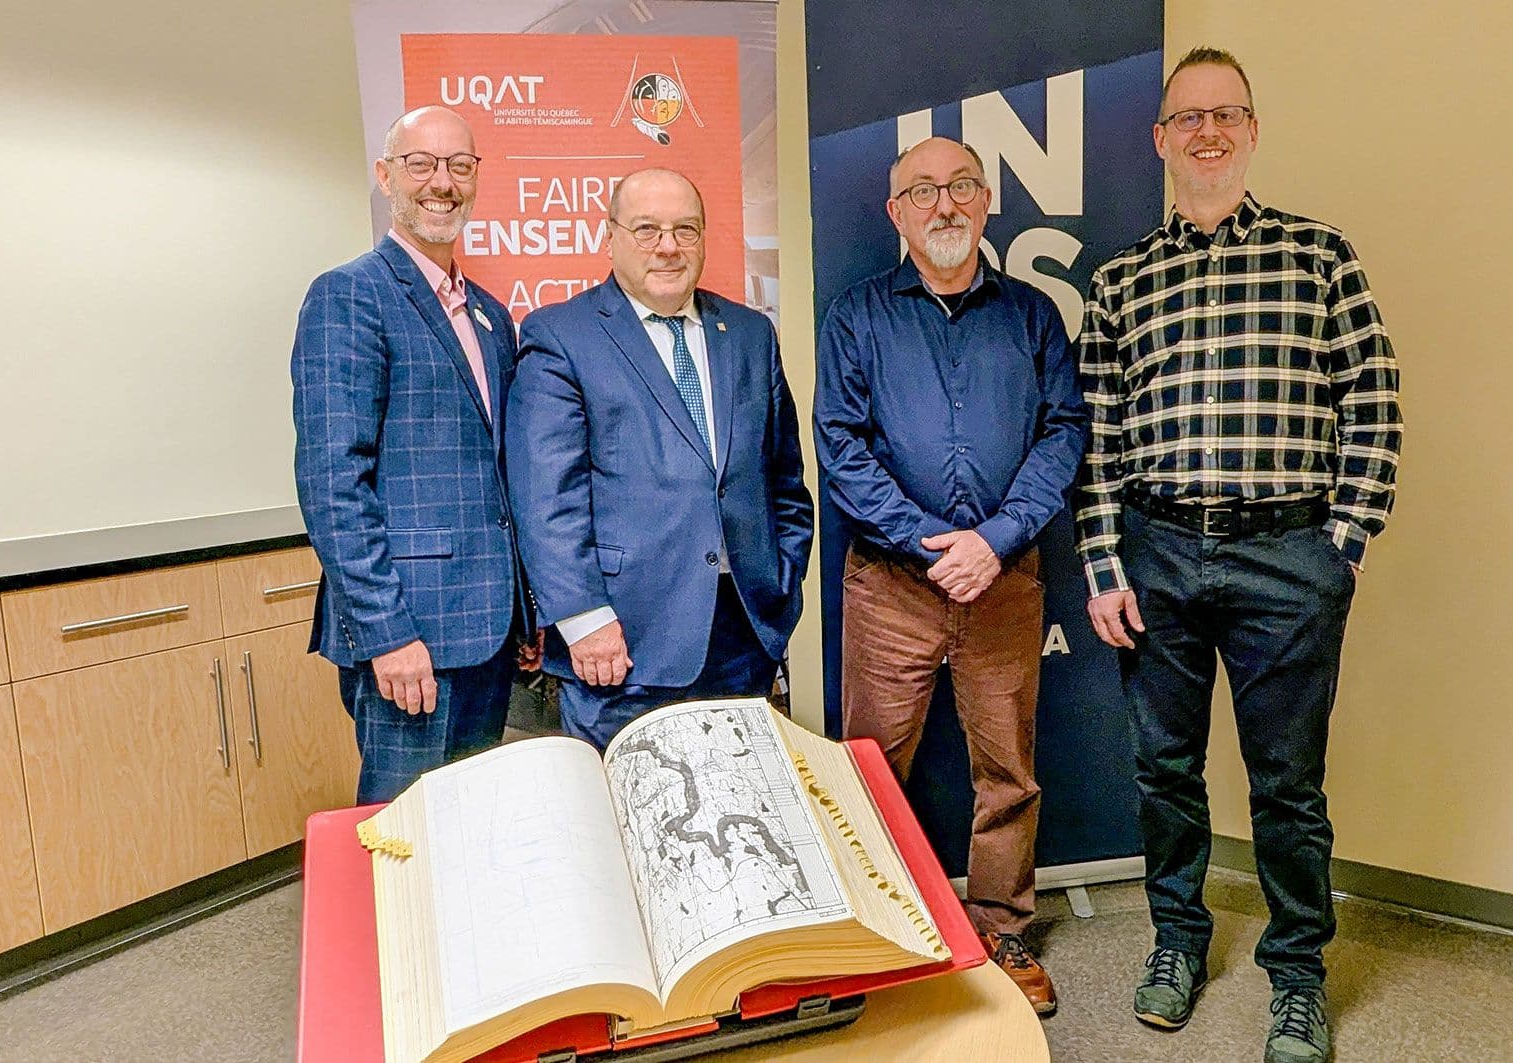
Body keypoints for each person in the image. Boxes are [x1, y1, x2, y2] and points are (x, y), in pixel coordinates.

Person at [1073, 47, 1402, 1063]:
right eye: (1186, 118)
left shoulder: (1319, 256)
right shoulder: (1121, 279)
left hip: (1286, 560)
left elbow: (1375, 403)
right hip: (1158, 553)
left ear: (1250, 131)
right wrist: (1101, 564)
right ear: (1161, 139)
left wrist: (1337, 546)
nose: (1206, 132)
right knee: (1164, 772)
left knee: (1286, 786)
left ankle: (1297, 977)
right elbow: (1096, 439)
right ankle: (1177, 940)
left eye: (1225, 115)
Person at [813, 136, 1089, 1015]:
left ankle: (1002, 927)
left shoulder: (1033, 316)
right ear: (896, 213)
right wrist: (934, 541)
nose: (944, 205)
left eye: (962, 186)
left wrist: (997, 538)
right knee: (871, 768)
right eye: (923, 191)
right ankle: (879, 933)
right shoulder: (856, 317)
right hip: (893, 585)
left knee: (1007, 769)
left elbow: (1063, 434)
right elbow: (840, 446)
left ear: (987, 202)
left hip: (1004, 583)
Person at [505, 168, 813, 750]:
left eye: (685, 230)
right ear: (611, 235)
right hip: (621, 647)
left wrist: (782, 587)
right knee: (632, 824)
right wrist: (584, 621)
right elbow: (547, 500)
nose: (668, 247)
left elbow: (783, 482)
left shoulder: (749, 334)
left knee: (738, 819)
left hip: (742, 636)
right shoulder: (562, 335)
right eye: (647, 229)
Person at [292, 106, 539, 805]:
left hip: (488, 634)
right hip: (411, 636)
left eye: (460, 166)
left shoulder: (490, 315)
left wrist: (524, 611)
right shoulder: (350, 295)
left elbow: (498, 479)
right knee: (404, 840)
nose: (443, 183)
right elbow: (333, 481)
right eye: (421, 164)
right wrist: (385, 632)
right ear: (386, 176)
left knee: (470, 833)